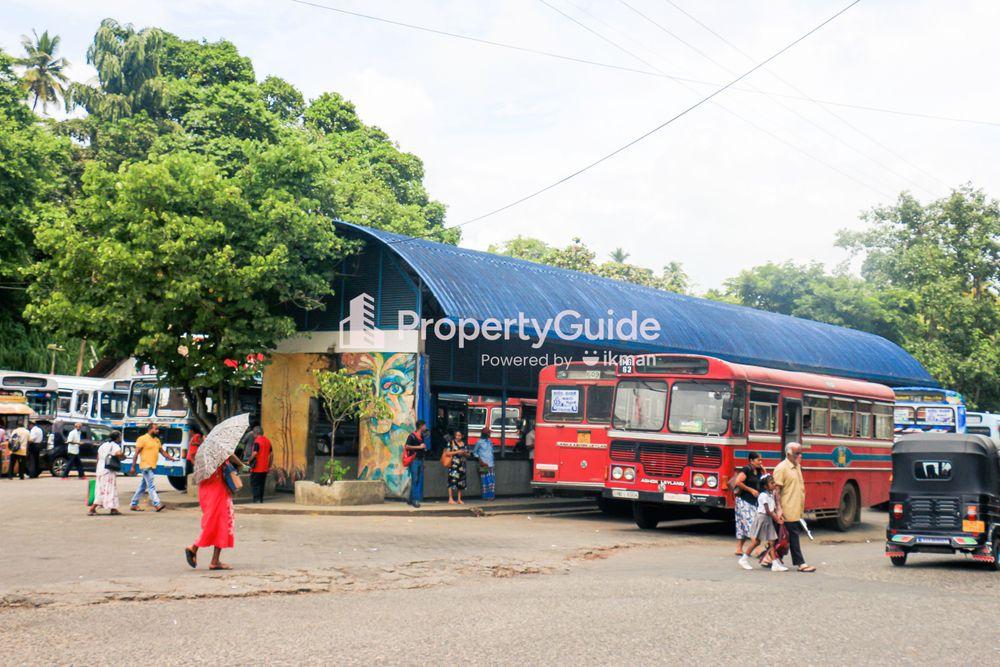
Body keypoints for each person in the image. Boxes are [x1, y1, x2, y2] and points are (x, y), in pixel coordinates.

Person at [185, 451, 244, 570]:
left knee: (215, 524)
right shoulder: (219, 453)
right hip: (218, 492)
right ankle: (197, 548)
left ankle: (213, 559)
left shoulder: (201, 456)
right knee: (220, 524)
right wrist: (239, 463)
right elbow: (232, 458)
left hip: (205, 492)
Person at [772, 442, 816, 572]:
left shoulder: (797, 467)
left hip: (796, 507)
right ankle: (800, 563)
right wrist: (779, 508)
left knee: (783, 536)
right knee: (793, 535)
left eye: (801, 453)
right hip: (787, 508)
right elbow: (776, 491)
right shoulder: (781, 468)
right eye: (797, 453)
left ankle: (769, 558)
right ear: (788, 454)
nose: (800, 456)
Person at [739, 474, 786, 571]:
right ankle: (743, 559)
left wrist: (778, 515)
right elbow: (768, 510)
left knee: (772, 542)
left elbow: (772, 508)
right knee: (756, 542)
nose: (774, 484)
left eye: (774, 482)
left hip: (768, 519)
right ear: (765, 486)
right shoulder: (763, 495)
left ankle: (775, 564)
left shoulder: (770, 494)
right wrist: (777, 519)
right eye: (772, 483)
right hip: (762, 518)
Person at [129, 423, 175, 512]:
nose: (158, 431)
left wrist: (170, 457)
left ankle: (133, 504)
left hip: (152, 466)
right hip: (145, 466)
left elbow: (162, 451)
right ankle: (157, 504)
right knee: (151, 486)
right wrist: (133, 467)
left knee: (142, 486)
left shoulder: (157, 440)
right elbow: (136, 454)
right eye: (156, 429)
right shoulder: (142, 439)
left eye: (158, 429)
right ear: (150, 429)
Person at [732, 451, 765, 557]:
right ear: (751, 460)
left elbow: (762, 484)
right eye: (758, 460)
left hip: (753, 502)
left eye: (761, 460)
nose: (760, 462)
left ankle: (739, 548)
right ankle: (757, 549)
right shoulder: (746, 469)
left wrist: (764, 472)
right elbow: (738, 482)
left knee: (743, 525)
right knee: (752, 523)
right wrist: (750, 490)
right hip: (743, 501)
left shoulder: (758, 471)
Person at [89, 431, 125, 516]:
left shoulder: (103, 445)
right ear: (117, 438)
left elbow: (98, 458)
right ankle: (92, 508)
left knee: (101, 488)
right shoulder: (115, 446)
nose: (120, 438)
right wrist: (123, 456)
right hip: (108, 470)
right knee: (108, 489)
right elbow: (118, 454)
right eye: (120, 437)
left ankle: (113, 509)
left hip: (100, 469)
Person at [404, 420, 429, 507]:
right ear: (421, 426)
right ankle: (415, 500)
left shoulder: (422, 436)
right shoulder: (412, 436)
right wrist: (419, 447)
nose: (425, 427)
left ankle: (410, 499)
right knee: (415, 480)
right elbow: (407, 446)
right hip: (414, 460)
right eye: (424, 425)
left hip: (420, 460)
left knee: (417, 480)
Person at [247, 426, 272, 503]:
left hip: (257, 468)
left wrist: (249, 460)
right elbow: (271, 454)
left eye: (253, 433)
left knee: (255, 484)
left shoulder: (257, 441)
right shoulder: (267, 441)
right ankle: (260, 499)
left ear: (256, 433)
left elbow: (255, 452)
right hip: (265, 468)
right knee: (262, 484)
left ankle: (256, 499)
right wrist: (269, 465)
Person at [446, 431, 470, 504]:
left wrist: (464, 453)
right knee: (451, 481)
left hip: (462, 465)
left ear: (462, 436)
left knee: (461, 481)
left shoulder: (464, 444)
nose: (458, 437)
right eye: (456, 435)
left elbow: (468, 454)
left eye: (459, 435)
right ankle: (450, 498)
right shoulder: (451, 443)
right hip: (453, 465)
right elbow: (447, 453)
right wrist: (457, 452)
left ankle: (459, 499)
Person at [473, 428, 496, 501]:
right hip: (483, 464)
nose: (490, 434)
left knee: (492, 481)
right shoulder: (479, 442)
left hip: (491, 464)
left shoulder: (489, 441)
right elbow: (474, 452)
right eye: (488, 433)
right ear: (484, 434)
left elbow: (491, 451)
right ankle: (486, 496)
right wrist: (480, 460)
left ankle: (491, 496)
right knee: (485, 481)